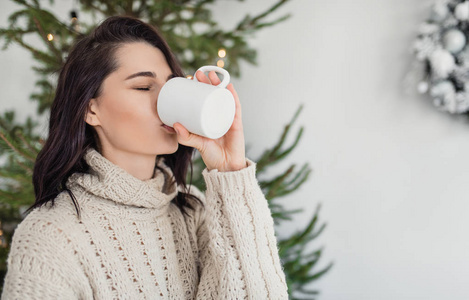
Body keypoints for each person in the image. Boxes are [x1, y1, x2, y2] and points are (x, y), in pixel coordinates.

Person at [1, 16, 288, 299]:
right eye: (143, 87)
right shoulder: (50, 235)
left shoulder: (194, 211)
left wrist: (231, 171)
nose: (164, 101)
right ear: (91, 110)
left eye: (171, 85)